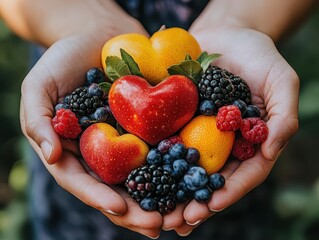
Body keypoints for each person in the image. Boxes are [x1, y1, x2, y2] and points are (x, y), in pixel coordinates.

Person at [0, 0, 316, 239]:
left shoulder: (214, 109)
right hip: (85, 182)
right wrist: (82, 27)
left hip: (226, 185)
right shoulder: (103, 94)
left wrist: (241, 20)